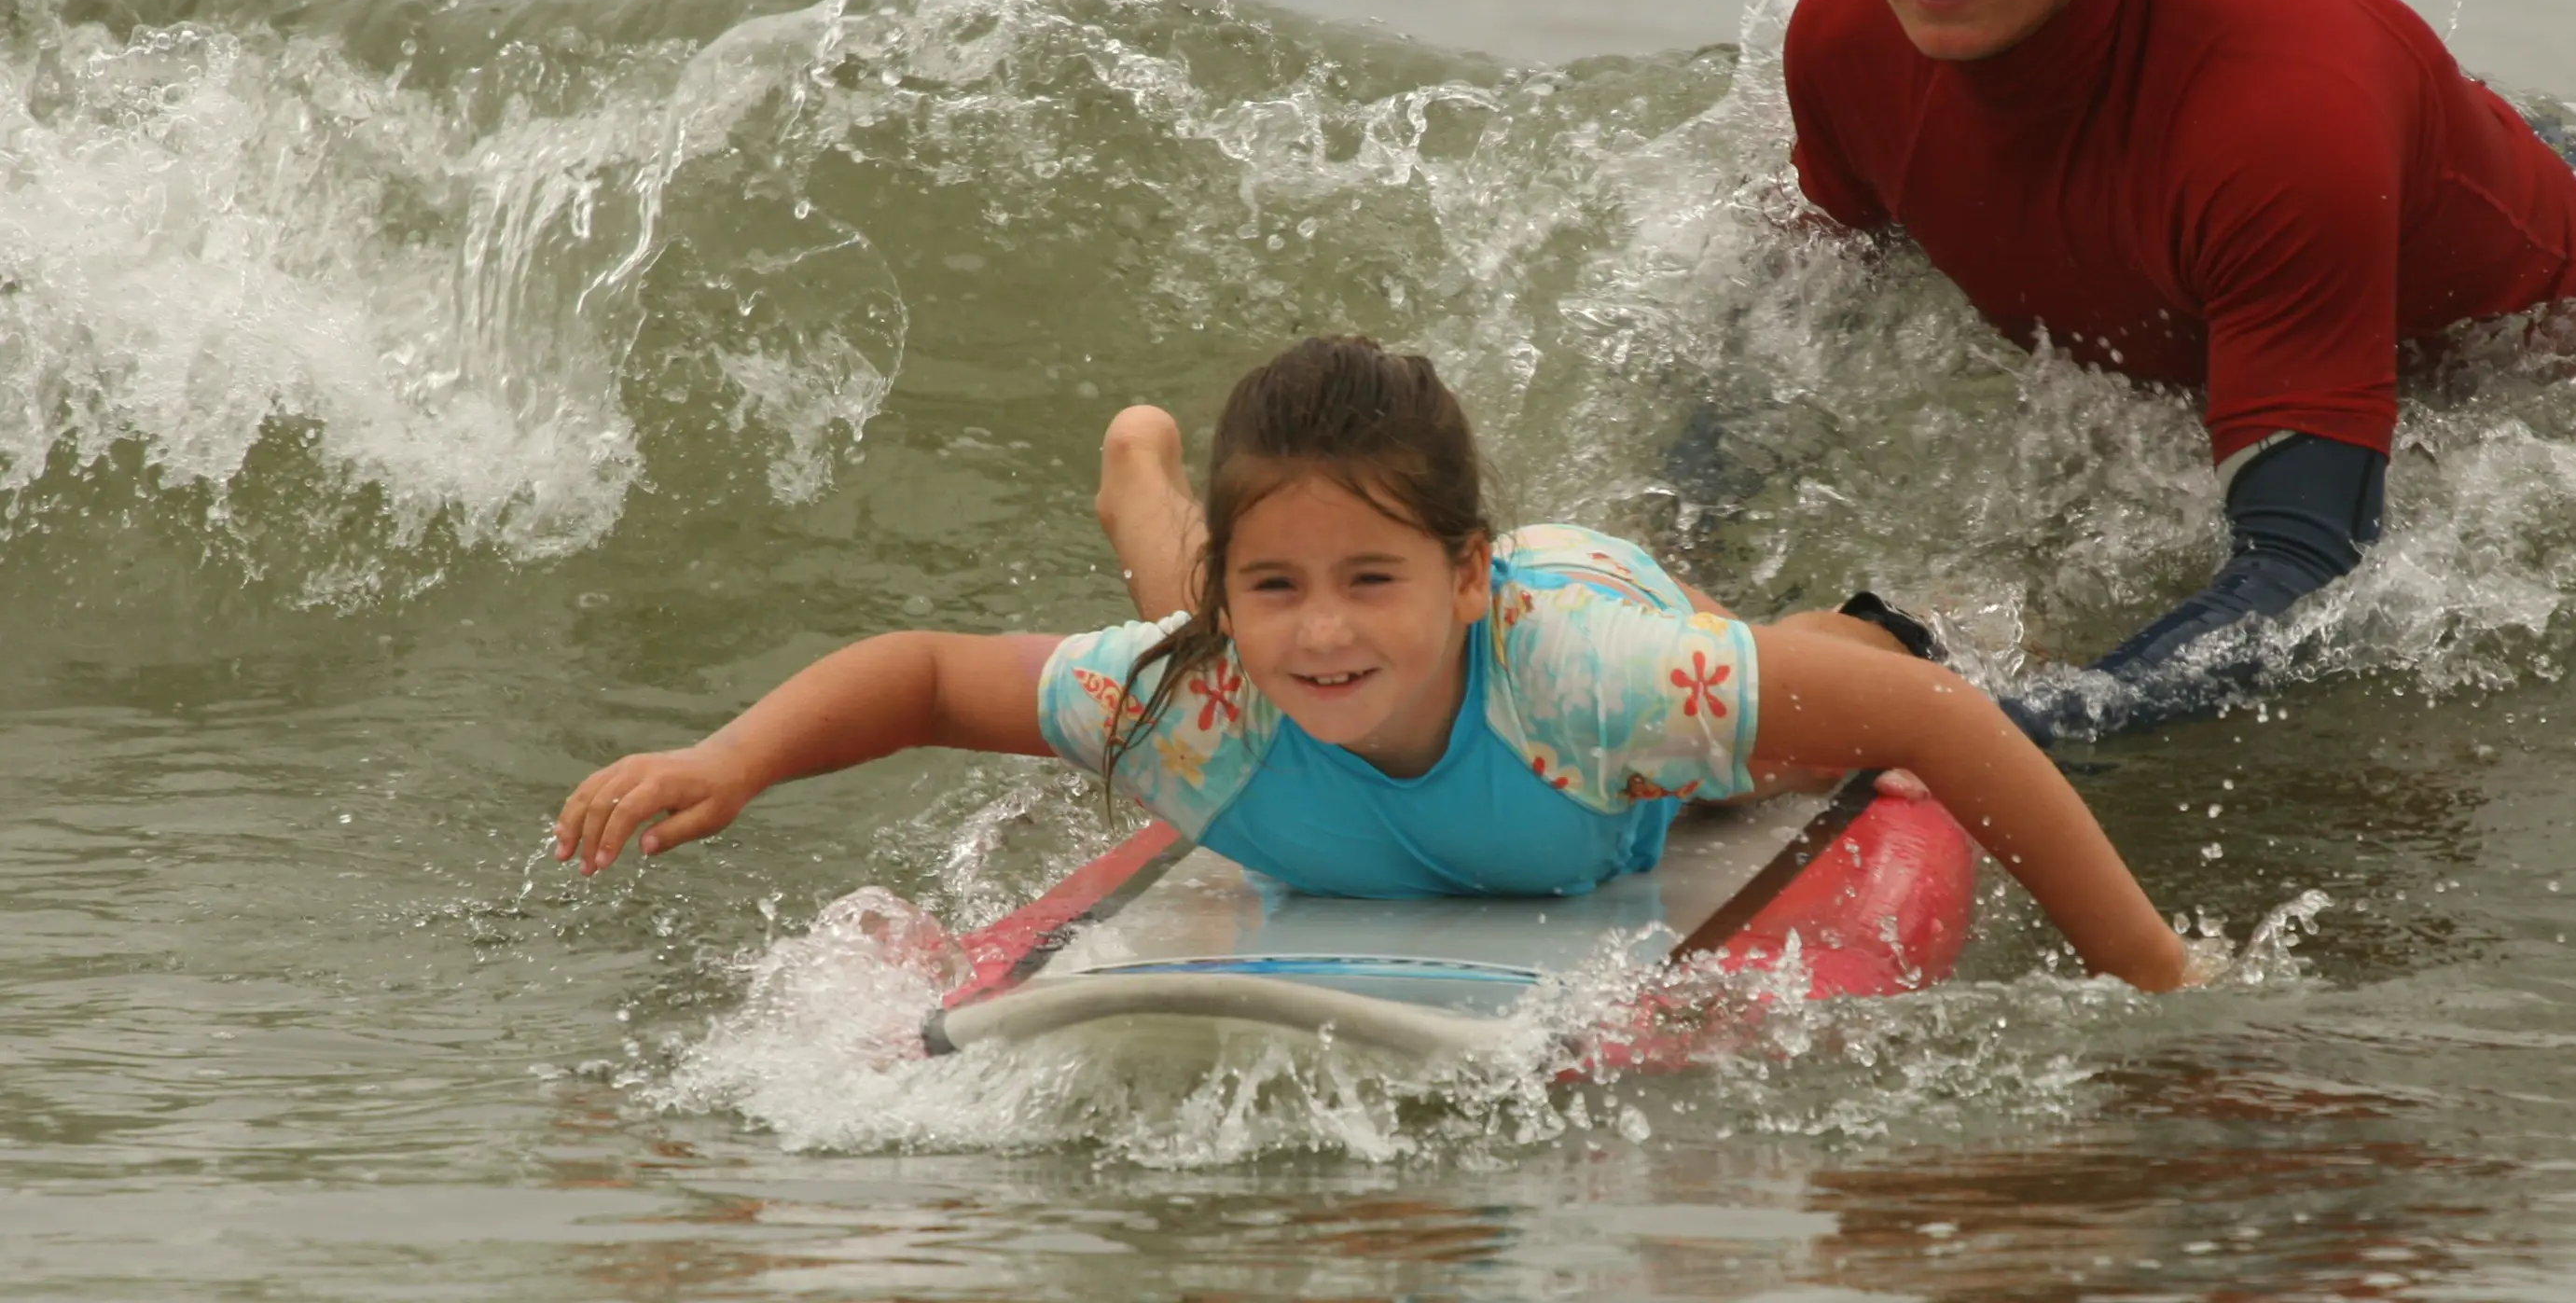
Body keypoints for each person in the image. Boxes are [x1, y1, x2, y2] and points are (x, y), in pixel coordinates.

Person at [553, 337, 2187, 991]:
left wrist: (2148, 965)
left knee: (1835, 687)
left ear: (1463, 572)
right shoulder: (1199, 686)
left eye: (1375, 579)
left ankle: (1187, 513)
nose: (1321, 622)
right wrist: (729, 756)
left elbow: (1921, 716)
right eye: (1287, 580)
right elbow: (921, 673)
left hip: (1585, 626)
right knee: (1227, 624)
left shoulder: (1603, 685)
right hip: (1269, 624)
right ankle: (1157, 498)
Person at [1780, 0, 2576, 749]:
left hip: (2551, 318)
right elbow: (1796, 300)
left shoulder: (2276, 132)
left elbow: (2308, 569)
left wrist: (2011, 727)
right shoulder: (1847, 37)